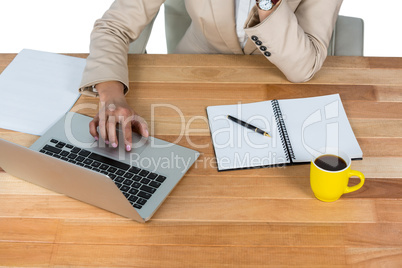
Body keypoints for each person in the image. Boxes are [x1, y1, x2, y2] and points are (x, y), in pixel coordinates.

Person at [79, 0, 343, 151]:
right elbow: (113, 26)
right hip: (193, 78)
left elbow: (303, 66)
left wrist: (268, 3)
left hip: (276, 82)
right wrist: (112, 95)